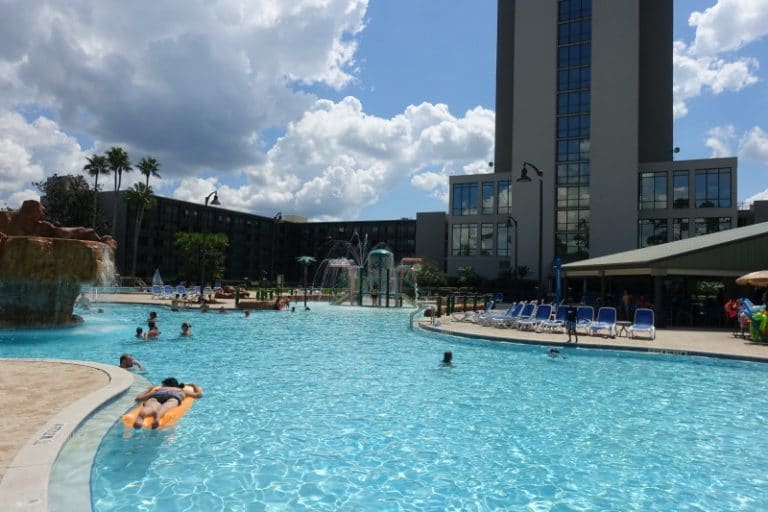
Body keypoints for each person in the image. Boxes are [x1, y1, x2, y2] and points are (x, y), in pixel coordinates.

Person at [132, 377, 203, 429]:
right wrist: (194, 386)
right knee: (167, 406)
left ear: (165, 385)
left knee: (151, 404)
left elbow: (139, 398)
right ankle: (158, 416)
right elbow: (198, 395)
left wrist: (148, 390)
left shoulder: (159, 389)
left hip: (158, 394)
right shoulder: (181, 390)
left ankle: (141, 416)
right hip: (174, 395)